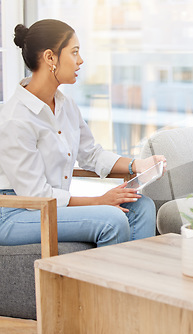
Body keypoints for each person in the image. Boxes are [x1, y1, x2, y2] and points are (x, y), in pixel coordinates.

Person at [0, 19, 165, 247]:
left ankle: (129, 279)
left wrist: (138, 165)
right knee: (112, 220)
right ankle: (107, 281)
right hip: (15, 212)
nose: (80, 60)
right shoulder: (15, 118)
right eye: (74, 52)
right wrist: (99, 201)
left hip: (50, 205)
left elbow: (90, 154)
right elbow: (36, 195)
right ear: (50, 58)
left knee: (141, 207)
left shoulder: (65, 105)